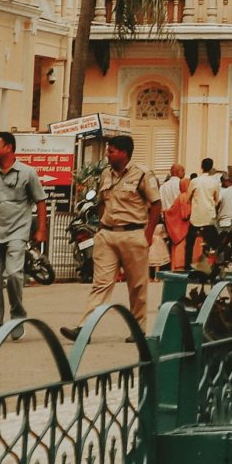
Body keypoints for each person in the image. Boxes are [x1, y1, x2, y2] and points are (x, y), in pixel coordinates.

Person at [86, 135, 159, 324]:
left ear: (124, 153)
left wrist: (148, 235)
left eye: (111, 151)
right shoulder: (105, 174)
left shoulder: (142, 173)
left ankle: (138, 327)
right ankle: (84, 327)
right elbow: (102, 201)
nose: (107, 155)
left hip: (133, 234)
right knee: (101, 284)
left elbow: (156, 205)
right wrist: (101, 228)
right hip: (108, 235)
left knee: (137, 286)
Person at [0, 133, 45, 321]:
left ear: (8, 147)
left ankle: (17, 315)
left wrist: (41, 229)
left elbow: (40, 201)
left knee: (14, 275)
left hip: (17, 231)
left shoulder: (27, 172)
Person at [187, 159, 224, 275]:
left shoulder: (194, 181)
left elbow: (188, 197)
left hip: (196, 217)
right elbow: (217, 199)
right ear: (211, 167)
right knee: (210, 244)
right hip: (209, 216)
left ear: (201, 166)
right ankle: (209, 267)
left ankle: (188, 266)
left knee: (190, 243)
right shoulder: (214, 182)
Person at [158, 165, 189, 271]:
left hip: (167, 219)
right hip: (180, 220)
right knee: (180, 244)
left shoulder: (163, 187)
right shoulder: (181, 186)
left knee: (169, 243)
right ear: (177, 171)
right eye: (183, 171)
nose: (184, 173)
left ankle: (168, 265)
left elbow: (160, 204)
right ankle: (178, 265)